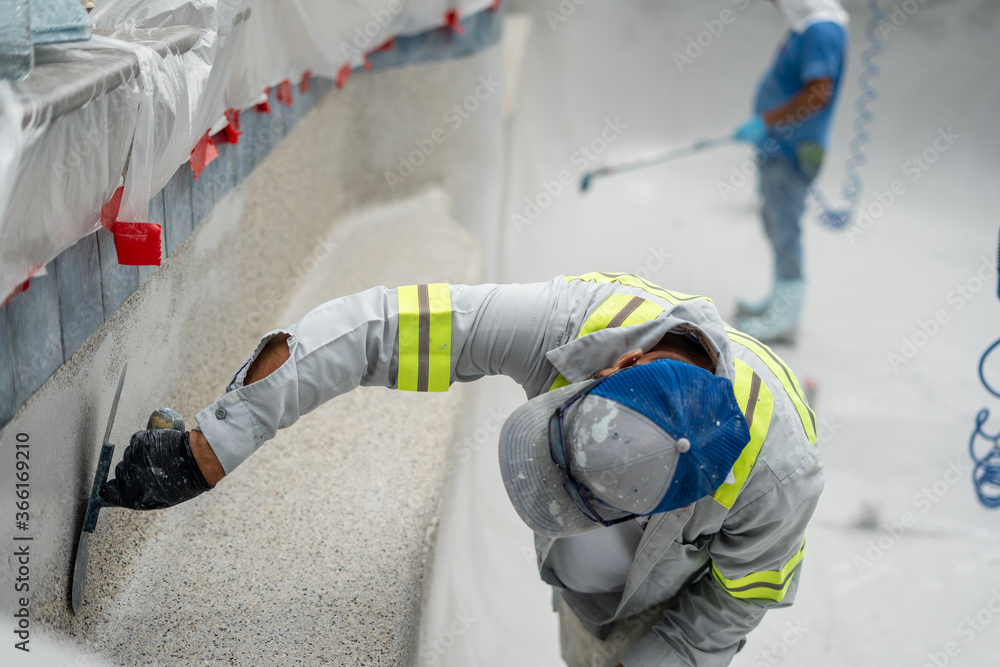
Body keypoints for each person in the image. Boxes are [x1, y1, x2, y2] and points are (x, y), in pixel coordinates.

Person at [101, 273, 824, 666]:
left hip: (661, 609)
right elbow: (378, 328)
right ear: (620, 365)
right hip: (594, 586)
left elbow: (722, 618)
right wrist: (215, 444)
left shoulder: (780, 481)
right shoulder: (574, 321)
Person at [732, 0, 849, 343]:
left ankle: (786, 316)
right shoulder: (811, 26)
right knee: (776, 222)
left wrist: (766, 121)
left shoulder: (821, 31)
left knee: (785, 229)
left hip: (791, 150)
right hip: (781, 146)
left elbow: (818, 94)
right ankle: (779, 299)